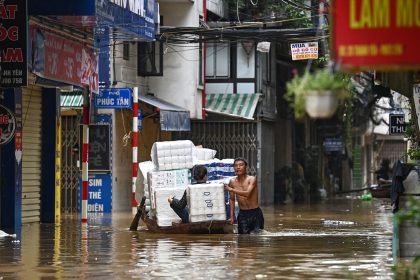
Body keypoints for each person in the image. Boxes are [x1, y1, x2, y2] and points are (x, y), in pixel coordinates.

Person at [224, 157, 264, 234]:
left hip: (255, 213)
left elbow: (247, 194)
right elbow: (232, 199)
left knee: (257, 237)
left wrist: (231, 189)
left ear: (246, 167)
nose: (238, 167)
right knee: (243, 238)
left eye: (241, 165)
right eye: (236, 165)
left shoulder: (252, 179)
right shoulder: (232, 182)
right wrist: (232, 217)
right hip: (242, 214)